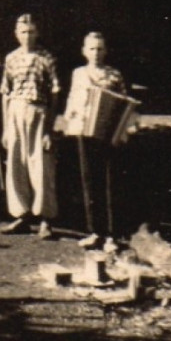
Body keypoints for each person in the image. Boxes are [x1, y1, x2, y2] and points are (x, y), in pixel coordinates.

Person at [63, 31, 128, 253]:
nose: (96, 53)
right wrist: (70, 116)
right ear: (84, 51)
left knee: (110, 183)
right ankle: (95, 232)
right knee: (89, 181)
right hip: (84, 131)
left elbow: (124, 103)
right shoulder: (78, 73)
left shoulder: (114, 75)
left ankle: (112, 234)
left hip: (108, 134)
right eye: (92, 48)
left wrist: (123, 129)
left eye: (100, 48)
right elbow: (72, 99)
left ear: (106, 51)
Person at [0, 14, 60, 239]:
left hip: (39, 111)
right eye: (23, 32)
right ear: (17, 34)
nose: (27, 36)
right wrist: (6, 127)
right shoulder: (11, 58)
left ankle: (45, 219)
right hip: (16, 110)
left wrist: (49, 129)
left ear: (38, 33)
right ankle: (21, 215)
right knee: (16, 163)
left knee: (41, 165)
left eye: (32, 32)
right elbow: (5, 92)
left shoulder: (46, 58)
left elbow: (55, 94)